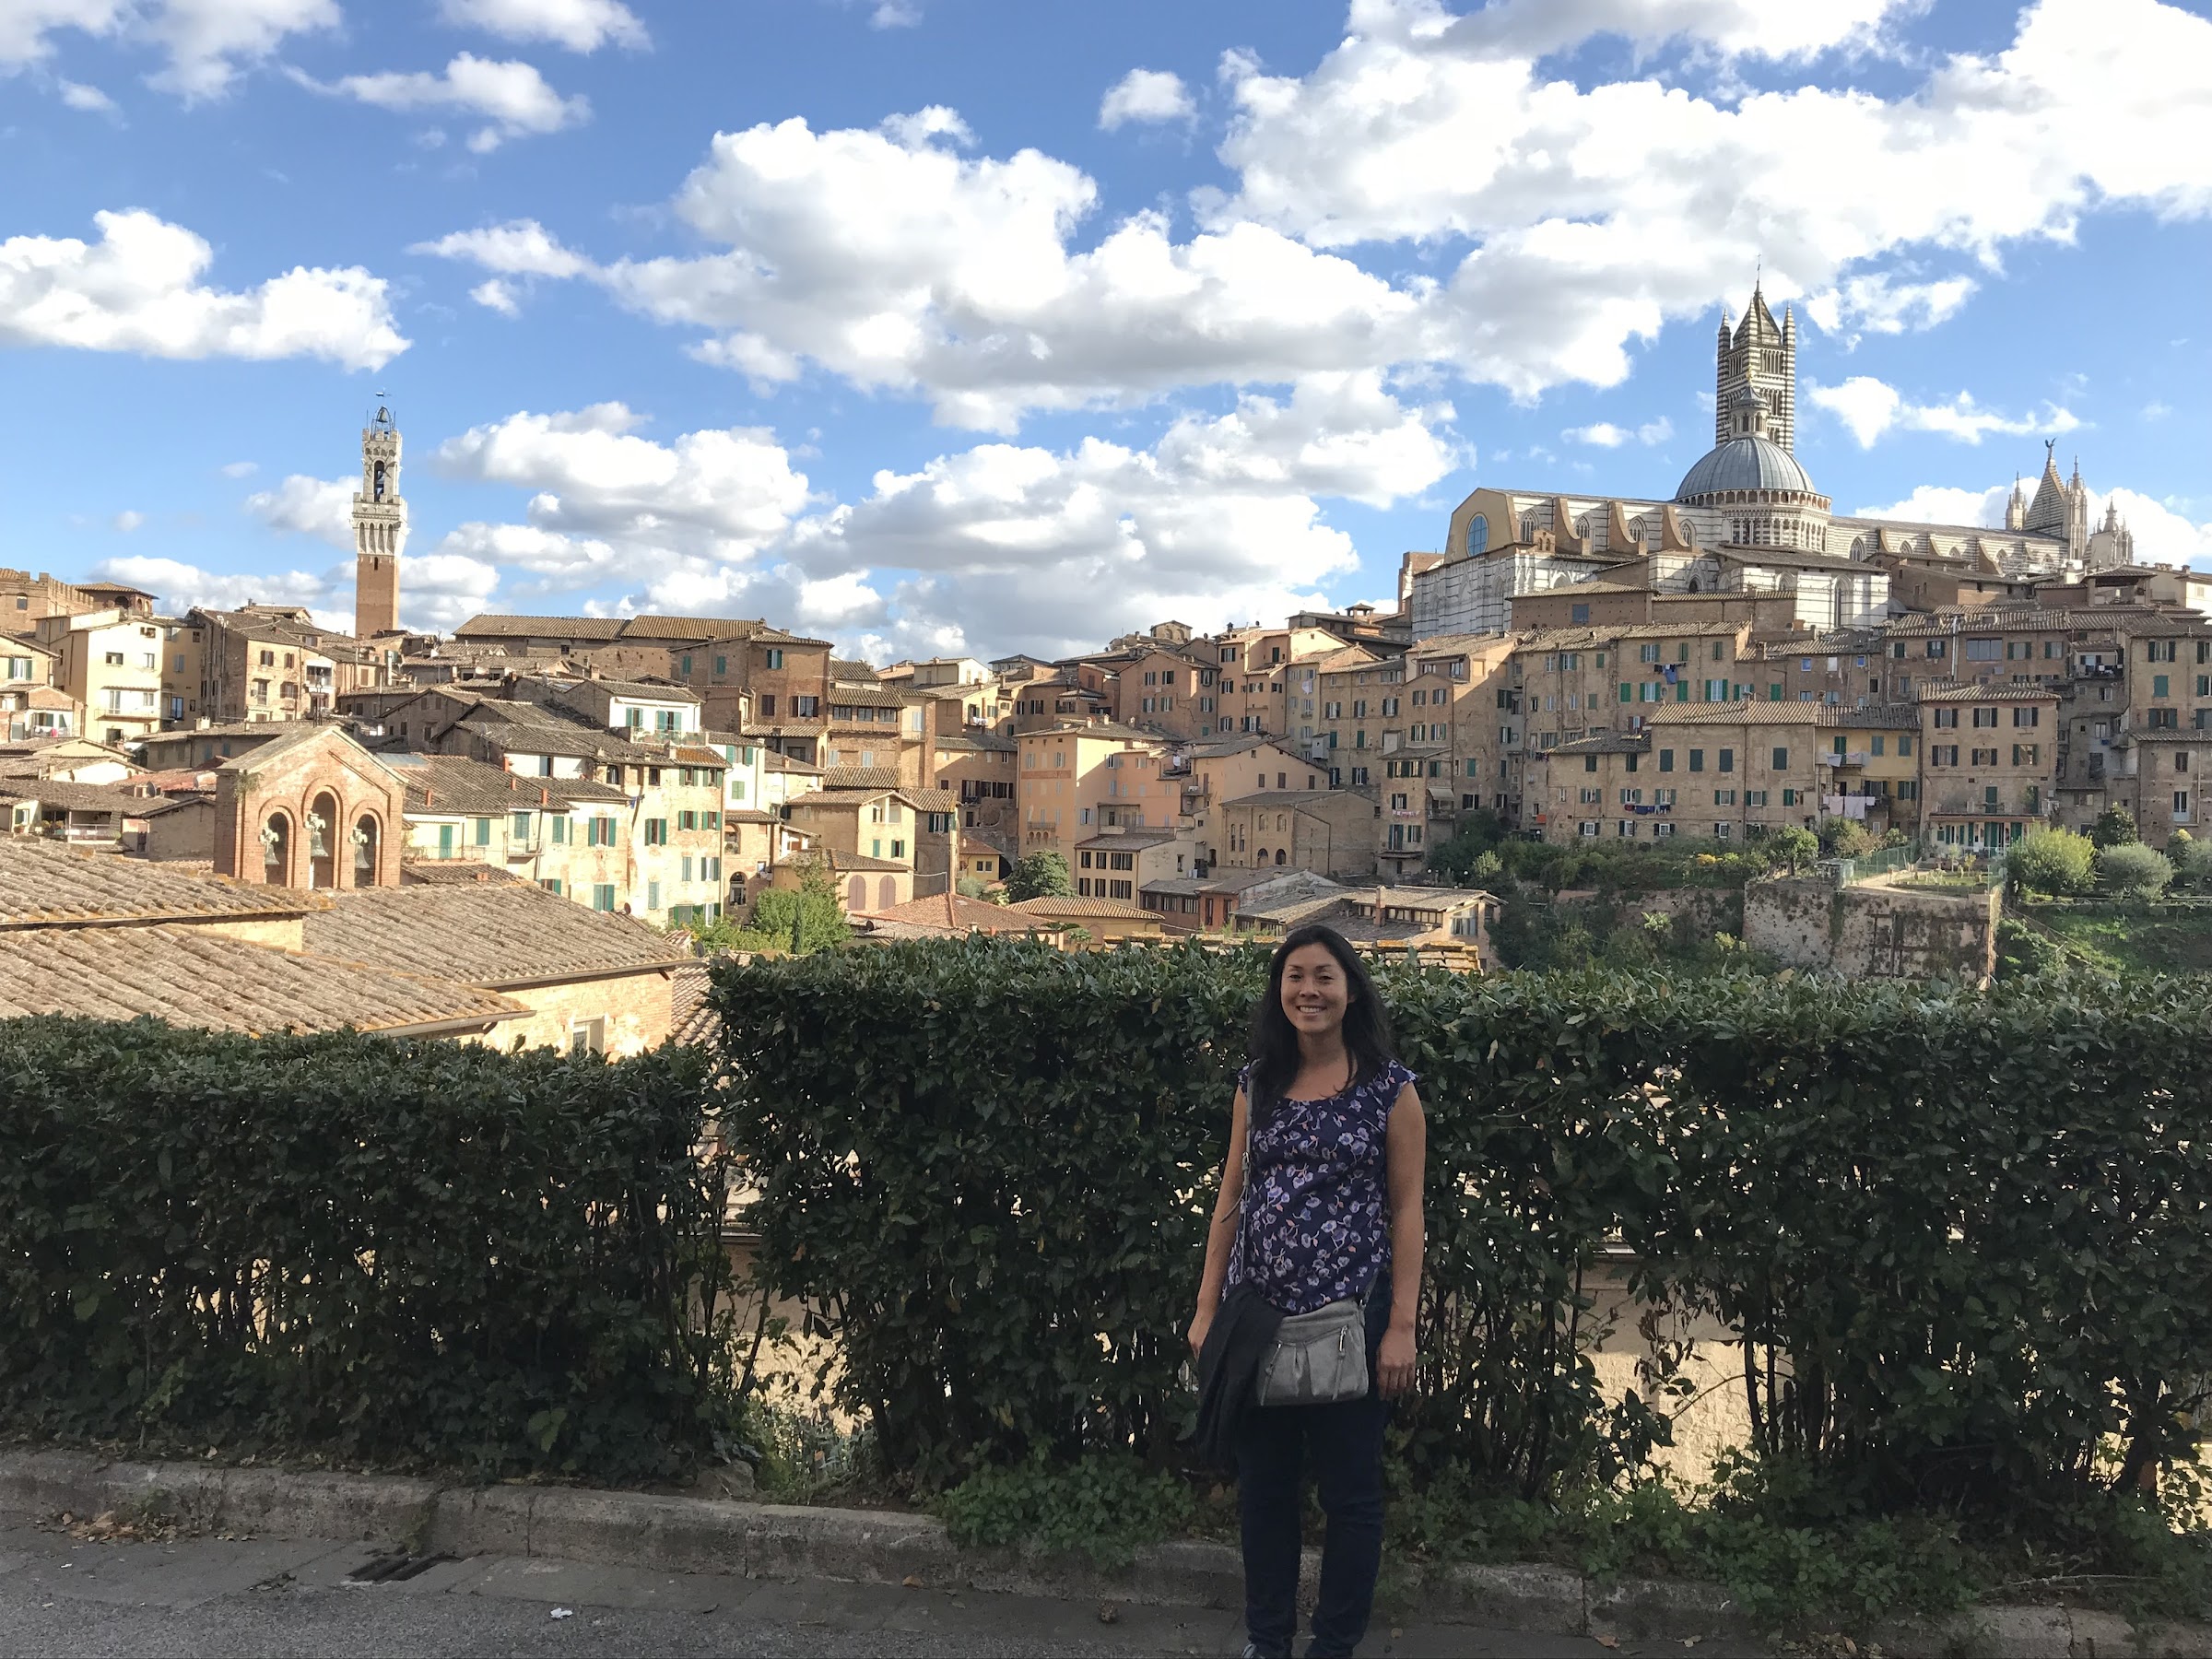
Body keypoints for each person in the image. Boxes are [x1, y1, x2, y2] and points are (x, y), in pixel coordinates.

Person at [1187, 924, 1427, 1659]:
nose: (1309, 991)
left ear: (1350, 990)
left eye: (1324, 976)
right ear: (1278, 990)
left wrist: (1402, 1326)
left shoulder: (1392, 1090)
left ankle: (1334, 1646)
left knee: (1351, 1501)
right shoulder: (1256, 1083)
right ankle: (1268, 1642)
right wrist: (1204, 1310)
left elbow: (1408, 1208)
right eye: (1295, 977)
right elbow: (1231, 1190)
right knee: (1265, 1494)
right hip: (1256, 1318)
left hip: (1350, 1321)